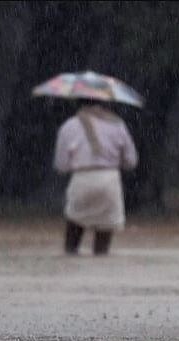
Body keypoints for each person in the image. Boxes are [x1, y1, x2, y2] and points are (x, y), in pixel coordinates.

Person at [53, 100, 138, 255]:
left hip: (82, 178)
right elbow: (131, 161)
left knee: (75, 223)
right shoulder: (118, 125)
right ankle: (101, 266)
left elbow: (61, 165)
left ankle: (71, 257)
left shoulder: (69, 126)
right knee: (105, 230)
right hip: (109, 179)